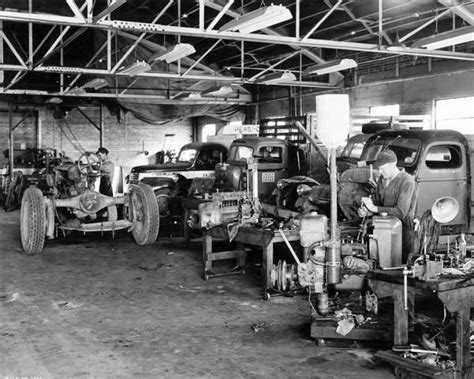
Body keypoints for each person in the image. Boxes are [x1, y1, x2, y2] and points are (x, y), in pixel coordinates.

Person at [360, 149, 417, 262]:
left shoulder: (407, 181)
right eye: (379, 168)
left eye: (382, 168)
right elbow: (378, 203)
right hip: (383, 229)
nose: (380, 171)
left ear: (393, 164)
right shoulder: (382, 179)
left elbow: (401, 212)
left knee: (399, 266)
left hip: (402, 233)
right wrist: (367, 211)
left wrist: (374, 208)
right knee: (381, 262)